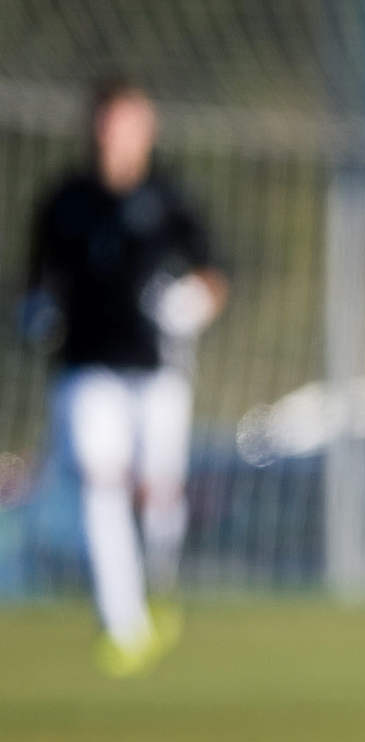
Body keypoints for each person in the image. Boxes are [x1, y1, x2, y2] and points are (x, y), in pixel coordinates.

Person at [22, 78, 228, 676]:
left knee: (154, 494)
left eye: (126, 123)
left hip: (157, 371)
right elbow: (37, 282)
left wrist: (194, 302)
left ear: (146, 130)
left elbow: (215, 272)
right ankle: (122, 623)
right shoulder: (64, 201)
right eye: (106, 122)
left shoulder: (169, 198)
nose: (113, 135)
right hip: (84, 369)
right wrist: (35, 311)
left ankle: (157, 585)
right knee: (97, 479)